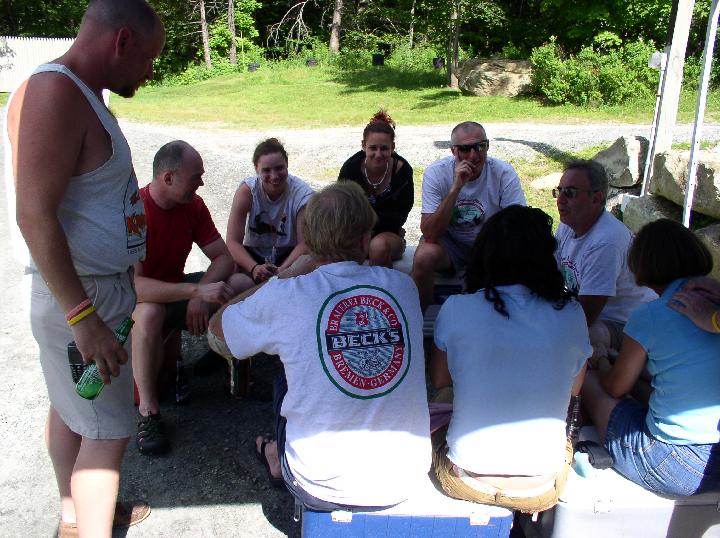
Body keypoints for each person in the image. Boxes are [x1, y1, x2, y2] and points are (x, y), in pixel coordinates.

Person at [4, 1, 165, 536]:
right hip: (85, 298)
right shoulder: (55, 91)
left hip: (90, 293)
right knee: (107, 432)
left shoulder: (76, 92)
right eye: (148, 58)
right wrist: (82, 317)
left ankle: (74, 517)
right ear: (122, 40)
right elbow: (33, 214)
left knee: (71, 412)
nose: (149, 72)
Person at [209, 182, 431, 510]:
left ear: (309, 243)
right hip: (406, 477)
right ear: (364, 240)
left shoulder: (287, 294)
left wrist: (286, 275)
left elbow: (218, 332)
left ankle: (275, 454)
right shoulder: (404, 287)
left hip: (321, 484)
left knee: (287, 375)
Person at [429, 205, 590, 512]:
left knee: (445, 398)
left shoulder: (457, 308)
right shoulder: (572, 312)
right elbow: (574, 389)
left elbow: (440, 380)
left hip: (466, 477)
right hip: (541, 485)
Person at [582, 219, 720, 496]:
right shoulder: (714, 300)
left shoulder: (650, 315)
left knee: (589, 381)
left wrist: (602, 361)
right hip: (714, 458)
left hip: (674, 463)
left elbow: (615, 387)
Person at [132, 140, 236, 455]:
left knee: (240, 283)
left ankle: (232, 369)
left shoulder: (193, 206)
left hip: (176, 293)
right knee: (149, 313)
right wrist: (195, 291)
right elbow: (134, 288)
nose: (201, 183)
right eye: (196, 177)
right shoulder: (135, 212)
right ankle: (149, 414)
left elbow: (224, 258)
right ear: (168, 178)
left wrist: (200, 296)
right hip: (138, 306)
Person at [411, 121, 526, 312]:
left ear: (487, 146)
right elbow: (430, 234)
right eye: (465, 149)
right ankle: (417, 318)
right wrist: (456, 188)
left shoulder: (503, 173)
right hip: (450, 244)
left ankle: (504, 317)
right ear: (453, 150)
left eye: (480, 146)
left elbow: (517, 225)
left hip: (490, 243)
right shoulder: (436, 173)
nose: (473, 155)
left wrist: (489, 252)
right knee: (423, 257)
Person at [554, 160, 655, 361]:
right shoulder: (568, 224)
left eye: (571, 193)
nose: (560, 200)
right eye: (559, 191)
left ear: (597, 198)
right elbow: (550, 274)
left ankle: (616, 365)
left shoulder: (606, 242)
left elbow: (585, 316)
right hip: (596, 315)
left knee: (572, 336)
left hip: (627, 324)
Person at [226, 138, 314, 292]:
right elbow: (232, 242)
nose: (274, 176)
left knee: (311, 261)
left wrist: (282, 270)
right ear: (256, 170)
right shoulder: (247, 191)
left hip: (289, 255)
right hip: (254, 255)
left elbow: (305, 243)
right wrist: (254, 268)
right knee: (233, 277)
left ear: (287, 165)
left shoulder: (302, 194)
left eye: (279, 168)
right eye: (266, 170)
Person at [338, 109, 413, 267]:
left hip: (388, 236)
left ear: (392, 147)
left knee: (378, 246)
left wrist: (366, 225)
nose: (378, 154)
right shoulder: (350, 169)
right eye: (373, 148)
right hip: (357, 234)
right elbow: (342, 210)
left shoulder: (403, 171)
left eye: (384, 148)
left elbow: (399, 217)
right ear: (363, 146)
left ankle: (380, 283)